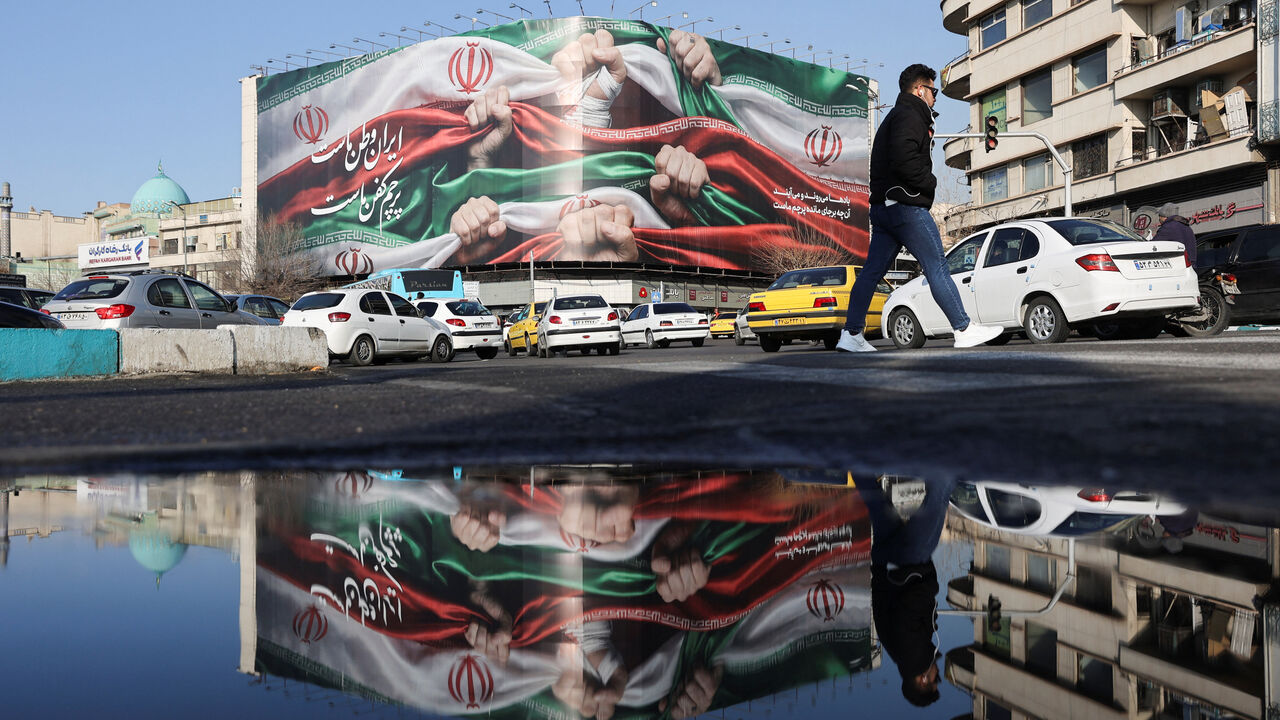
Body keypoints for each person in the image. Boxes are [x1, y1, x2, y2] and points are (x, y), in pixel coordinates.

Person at [837, 64, 1003, 352]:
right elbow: (905, 158)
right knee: (937, 266)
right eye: (933, 91)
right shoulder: (910, 115)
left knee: (872, 273)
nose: (936, 98)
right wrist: (928, 184)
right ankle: (963, 329)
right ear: (919, 90)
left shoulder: (894, 116)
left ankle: (851, 335)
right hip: (906, 207)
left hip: (883, 208)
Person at [856, 477, 957, 708]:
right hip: (886, 561)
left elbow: (908, 611)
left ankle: (955, 451)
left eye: (934, 679)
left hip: (909, 561)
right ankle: (847, 454)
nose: (936, 674)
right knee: (872, 496)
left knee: (940, 491)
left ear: (922, 681)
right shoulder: (896, 653)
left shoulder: (914, 656)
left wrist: (929, 587)